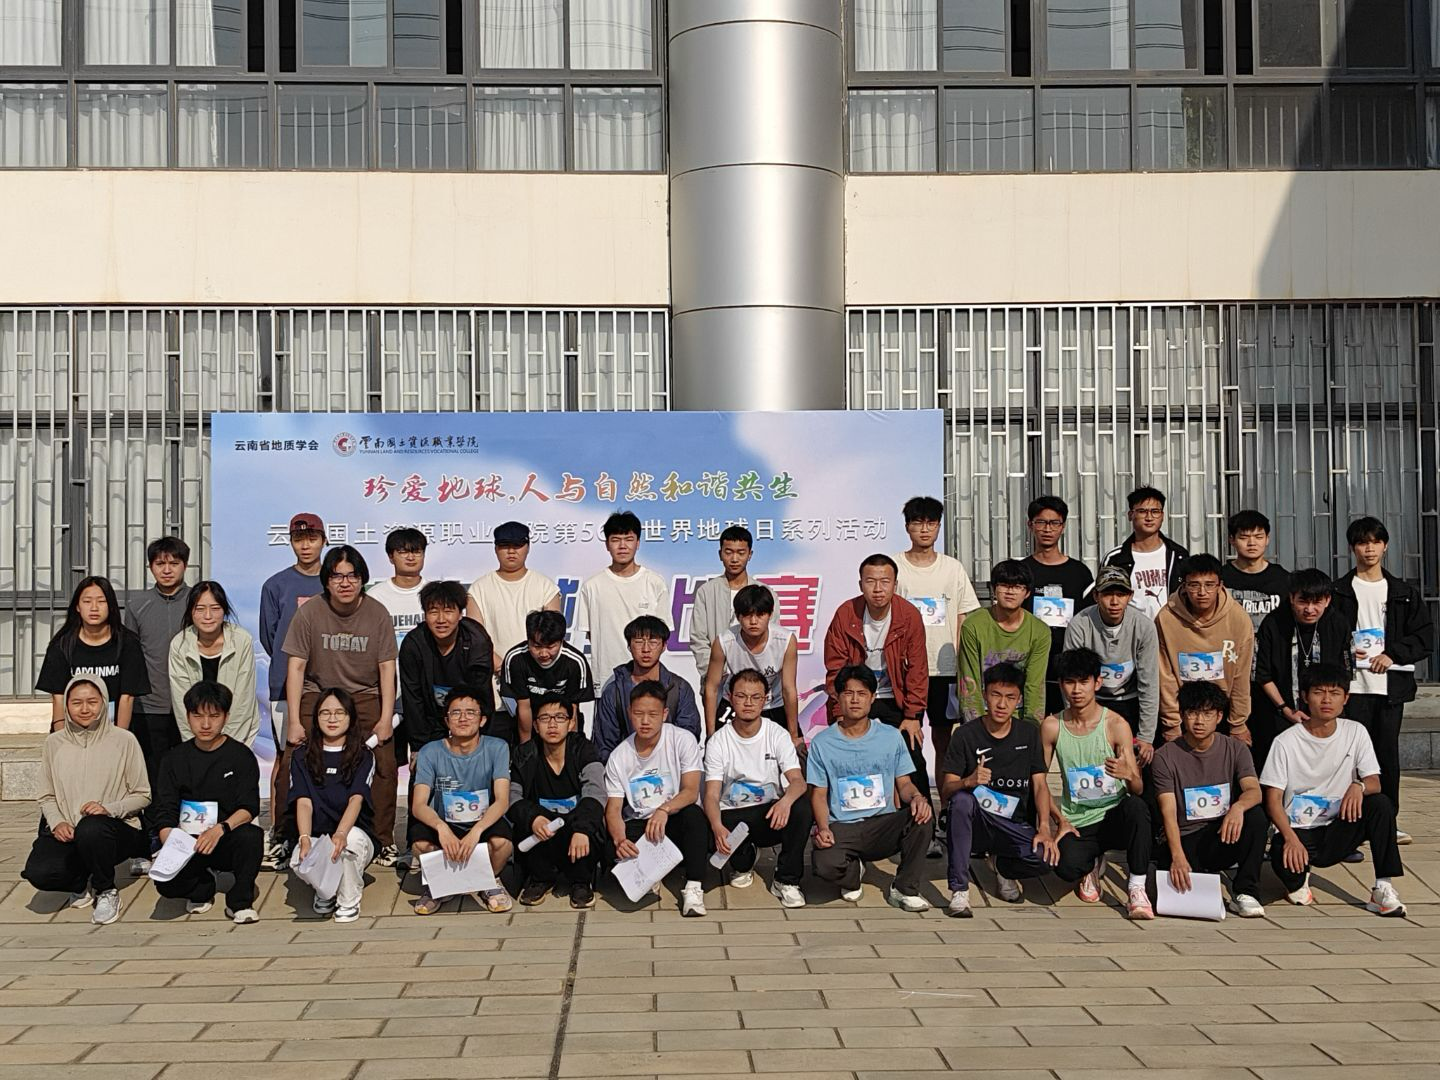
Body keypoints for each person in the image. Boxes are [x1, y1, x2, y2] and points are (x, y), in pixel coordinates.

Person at [278, 545, 398, 869]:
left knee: (384, 761)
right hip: (319, 693)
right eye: (337, 576)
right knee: (291, 759)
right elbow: (296, 667)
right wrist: (294, 720)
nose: (345, 583)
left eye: (352, 576)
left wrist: (385, 718)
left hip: (365, 695)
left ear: (362, 579)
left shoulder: (377, 614)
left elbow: (387, 668)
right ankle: (285, 836)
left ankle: (382, 840)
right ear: (326, 581)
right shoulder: (309, 612)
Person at [1260, 662, 1406, 916]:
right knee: (1292, 879)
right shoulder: (1285, 742)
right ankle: (1299, 878)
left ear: (1345, 698)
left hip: (1338, 826)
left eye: (1335, 693)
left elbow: (1374, 781)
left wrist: (1358, 786)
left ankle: (1383, 887)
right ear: (1305, 697)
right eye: (1318, 692)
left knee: (1381, 804)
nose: (1326, 700)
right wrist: (1290, 838)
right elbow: (1273, 799)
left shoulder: (1356, 732)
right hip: (1298, 830)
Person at [1334, 516, 1433, 846]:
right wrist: (1345, 653)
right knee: (1348, 757)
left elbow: (1424, 638)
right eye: (1363, 542)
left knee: (1386, 756)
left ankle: (1387, 822)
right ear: (1353, 548)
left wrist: (1393, 654)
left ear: (1385, 546)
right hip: (1350, 688)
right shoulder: (1339, 591)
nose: (1369, 549)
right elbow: (1327, 635)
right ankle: (1350, 824)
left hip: (1389, 689)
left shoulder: (1403, 593)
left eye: (1375, 542)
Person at [22, 676, 150, 925]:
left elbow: (143, 795)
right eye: (76, 702)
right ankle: (80, 881)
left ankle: (106, 890)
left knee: (92, 828)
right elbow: (46, 795)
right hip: (70, 831)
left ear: (104, 702)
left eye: (92, 701)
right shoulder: (54, 743)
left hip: (114, 830)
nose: (84, 709)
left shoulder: (124, 740)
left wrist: (108, 809)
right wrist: (58, 823)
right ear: (66, 705)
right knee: (40, 872)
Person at [807, 666, 934, 912]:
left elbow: (904, 784)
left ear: (873, 698)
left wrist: (918, 798)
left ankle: (904, 889)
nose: (855, 700)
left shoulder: (891, 736)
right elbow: (819, 795)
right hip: (842, 826)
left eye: (862, 693)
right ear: (837, 697)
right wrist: (823, 829)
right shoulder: (822, 743)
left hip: (882, 825)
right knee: (824, 865)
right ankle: (852, 871)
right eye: (848, 693)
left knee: (922, 817)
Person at [939, 663, 1061, 918]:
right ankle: (959, 889)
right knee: (961, 801)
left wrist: (1044, 827)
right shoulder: (965, 734)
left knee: (1048, 857)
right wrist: (968, 781)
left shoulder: (1029, 734)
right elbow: (948, 788)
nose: (1002, 704)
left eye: (1010, 697)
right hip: (978, 822)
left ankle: (1002, 866)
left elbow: (1040, 784)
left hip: (1013, 823)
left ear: (1019, 700)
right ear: (985, 694)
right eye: (996, 695)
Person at [1040, 648, 1153, 920]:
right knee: (1064, 867)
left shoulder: (1116, 725)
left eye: (1084, 681)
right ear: (1061, 685)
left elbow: (1138, 789)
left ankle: (1137, 888)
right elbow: (1039, 781)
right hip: (1078, 823)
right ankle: (1090, 864)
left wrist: (1128, 774)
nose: (1077, 690)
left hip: (1114, 817)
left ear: (1097, 682)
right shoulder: (1052, 726)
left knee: (1137, 808)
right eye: (1070, 682)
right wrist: (1056, 821)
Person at [150, 681, 264, 924]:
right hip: (188, 842)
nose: (205, 724)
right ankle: (202, 888)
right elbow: (165, 808)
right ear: (187, 717)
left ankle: (240, 901)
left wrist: (220, 829)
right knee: (164, 884)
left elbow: (249, 806)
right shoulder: (174, 758)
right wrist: (170, 842)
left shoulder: (240, 756)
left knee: (252, 837)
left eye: (214, 716)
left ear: (226, 717)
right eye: (197, 716)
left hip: (224, 836)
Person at [1152, 681, 1267, 918]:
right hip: (1185, 837)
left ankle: (1246, 891)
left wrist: (1238, 807)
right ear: (1182, 715)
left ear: (1219, 716)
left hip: (1222, 832)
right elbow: (1168, 812)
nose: (1199, 721)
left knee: (1255, 817)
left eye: (1207, 714)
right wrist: (1177, 856)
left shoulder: (1236, 749)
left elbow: (1254, 791)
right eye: (1193, 713)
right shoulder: (1164, 756)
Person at [893, 495, 981, 797]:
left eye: (931, 523)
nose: (924, 529)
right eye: (918, 523)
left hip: (945, 670)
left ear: (939, 527)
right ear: (907, 527)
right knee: (907, 741)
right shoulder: (895, 567)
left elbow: (963, 617)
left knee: (943, 740)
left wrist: (962, 664)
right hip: (908, 671)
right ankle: (914, 807)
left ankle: (946, 806)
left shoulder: (952, 568)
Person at [702, 668, 812, 908]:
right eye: (741, 696)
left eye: (755, 697)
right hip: (733, 816)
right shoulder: (718, 741)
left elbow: (798, 781)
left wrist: (785, 801)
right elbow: (711, 794)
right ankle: (745, 859)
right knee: (706, 829)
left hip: (770, 814)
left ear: (765, 700)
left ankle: (786, 880)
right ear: (730, 698)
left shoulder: (777, 734)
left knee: (802, 807)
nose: (748, 703)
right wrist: (717, 826)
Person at [822, 554, 929, 795]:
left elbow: (918, 669)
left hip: (896, 698)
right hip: (856, 696)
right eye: (870, 581)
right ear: (860, 584)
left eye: (885, 582)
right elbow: (836, 669)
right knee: (846, 753)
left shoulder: (909, 615)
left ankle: (921, 814)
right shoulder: (846, 614)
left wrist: (913, 715)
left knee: (911, 753)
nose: (878, 589)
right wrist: (840, 711)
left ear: (895, 584)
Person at [604, 680, 709, 917]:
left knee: (694, 816)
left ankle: (693, 887)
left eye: (652, 714)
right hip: (640, 822)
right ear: (630, 712)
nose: (645, 721)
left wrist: (664, 810)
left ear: (664, 714)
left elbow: (691, 791)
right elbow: (614, 809)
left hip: (673, 817)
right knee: (609, 846)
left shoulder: (682, 740)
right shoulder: (619, 756)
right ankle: (648, 872)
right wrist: (620, 840)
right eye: (638, 714)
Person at [408, 685, 515, 915]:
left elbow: (502, 800)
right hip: (444, 822)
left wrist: (477, 831)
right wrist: (442, 828)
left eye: (471, 712)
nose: (463, 718)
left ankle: (490, 881)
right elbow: (418, 804)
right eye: (456, 712)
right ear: (447, 720)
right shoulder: (430, 751)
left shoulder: (498, 747)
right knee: (420, 845)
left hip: (482, 821)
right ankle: (440, 885)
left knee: (502, 843)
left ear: (482, 719)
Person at [257, 513, 326, 865]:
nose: (306, 545)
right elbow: (270, 637)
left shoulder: (336, 581)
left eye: (312, 538)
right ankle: (280, 832)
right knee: (286, 758)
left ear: (324, 540)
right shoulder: (275, 585)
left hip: (329, 687)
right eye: (299, 539)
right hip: (286, 686)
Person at [288, 688, 376, 922]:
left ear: (350, 717)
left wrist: (341, 833)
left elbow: (356, 798)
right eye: (325, 713)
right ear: (316, 718)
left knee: (349, 842)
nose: (332, 718)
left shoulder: (363, 755)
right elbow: (303, 801)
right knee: (298, 857)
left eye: (339, 712)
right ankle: (325, 890)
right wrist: (304, 838)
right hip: (318, 835)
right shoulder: (301, 755)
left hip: (355, 834)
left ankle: (348, 900)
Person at [1253, 569, 1355, 772]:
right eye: (1303, 602)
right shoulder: (1273, 623)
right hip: (1280, 712)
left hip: (1326, 715)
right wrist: (1285, 709)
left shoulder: (1338, 623)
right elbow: (1262, 674)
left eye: (1317, 602)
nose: (1309, 609)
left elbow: (1346, 672)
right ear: (1292, 598)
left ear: (1327, 600)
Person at [508, 699, 606, 910]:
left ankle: (581, 881)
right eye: (545, 718)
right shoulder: (524, 754)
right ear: (535, 725)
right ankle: (540, 878)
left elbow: (596, 792)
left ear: (571, 723)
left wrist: (582, 828)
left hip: (575, 825)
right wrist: (533, 818)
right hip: (542, 826)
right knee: (524, 820)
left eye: (560, 718)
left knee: (592, 822)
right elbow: (513, 796)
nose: (552, 724)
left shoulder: (584, 750)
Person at [1063, 566, 1160, 764]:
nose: (1115, 601)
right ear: (1096, 596)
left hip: (1130, 700)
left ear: (1130, 596)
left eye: (1121, 594)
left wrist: (1146, 736)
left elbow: (1149, 683)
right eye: (1107, 594)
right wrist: (1075, 723)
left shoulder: (1144, 626)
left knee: (1133, 765)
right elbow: (1071, 680)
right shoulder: (1079, 624)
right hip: (1092, 701)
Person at [1155, 554, 1255, 745]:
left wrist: (1238, 723)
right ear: (1184, 585)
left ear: (1220, 585)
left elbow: (1241, 676)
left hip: (1221, 709)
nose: (1202, 592)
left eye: (1209, 585)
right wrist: (1171, 723)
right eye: (1194, 585)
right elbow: (1165, 675)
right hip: (1183, 710)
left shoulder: (1238, 619)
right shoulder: (1166, 618)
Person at [122, 536, 192, 794]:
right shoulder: (137, 605)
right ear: (150, 567)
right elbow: (131, 657)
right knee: (154, 772)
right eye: (160, 564)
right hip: (149, 705)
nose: (167, 570)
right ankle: (154, 819)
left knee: (189, 771)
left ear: (185, 565)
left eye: (174, 563)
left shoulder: (198, 602)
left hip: (190, 704)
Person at [399, 580, 496, 760]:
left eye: (448, 611)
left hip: (468, 717)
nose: (441, 619)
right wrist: (419, 747)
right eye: (433, 612)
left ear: (460, 614)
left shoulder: (477, 640)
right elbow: (413, 699)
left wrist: (477, 740)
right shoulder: (413, 644)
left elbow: (481, 696)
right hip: (430, 719)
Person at [37, 576, 148, 732]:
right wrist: (62, 739)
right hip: (72, 731)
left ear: (111, 606)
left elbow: (127, 697)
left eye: (101, 601)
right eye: (87, 601)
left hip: (114, 729)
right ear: (77, 606)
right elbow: (58, 697)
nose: (94, 608)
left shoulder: (127, 643)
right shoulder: (61, 645)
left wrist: (119, 738)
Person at [574, 511, 669, 683]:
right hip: (606, 678)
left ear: (638, 543)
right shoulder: (592, 586)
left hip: (647, 681)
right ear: (607, 544)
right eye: (616, 540)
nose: (622, 546)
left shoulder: (655, 583)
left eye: (629, 539)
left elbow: (661, 633)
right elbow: (590, 635)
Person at [1021, 496, 1095, 716]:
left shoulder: (1080, 573)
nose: (1047, 529)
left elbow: (1090, 620)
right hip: (1029, 662)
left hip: (1069, 664)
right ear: (1030, 525)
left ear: (1063, 526)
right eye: (1041, 522)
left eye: (1054, 523)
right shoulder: (1022, 571)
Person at [701, 584, 800, 746]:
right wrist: (710, 733)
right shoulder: (724, 641)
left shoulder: (786, 640)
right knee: (720, 750)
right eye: (747, 615)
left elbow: (789, 689)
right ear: (738, 616)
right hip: (735, 705)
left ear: (770, 615)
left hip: (773, 704)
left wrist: (793, 735)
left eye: (760, 615)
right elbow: (711, 687)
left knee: (795, 751)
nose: (753, 622)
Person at [593, 616, 701, 761]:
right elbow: (605, 746)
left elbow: (688, 738)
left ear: (664, 646)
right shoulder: (614, 692)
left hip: (670, 767)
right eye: (638, 642)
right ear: (629, 646)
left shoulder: (679, 688)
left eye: (653, 642)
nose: (646, 649)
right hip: (626, 768)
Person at [957, 560, 1050, 726]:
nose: (1010, 592)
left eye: (1017, 587)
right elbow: (969, 681)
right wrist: (976, 729)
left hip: (1019, 717)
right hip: (983, 714)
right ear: (994, 589)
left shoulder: (1040, 631)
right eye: (1004, 585)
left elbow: (1035, 685)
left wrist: (1031, 728)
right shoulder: (973, 626)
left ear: (1027, 593)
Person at [168, 581, 259, 746]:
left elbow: (243, 701)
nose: (208, 616)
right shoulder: (179, 644)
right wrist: (195, 744)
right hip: (195, 739)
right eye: (200, 609)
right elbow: (182, 703)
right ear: (190, 612)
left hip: (237, 738)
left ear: (225, 610)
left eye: (215, 608)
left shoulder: (241, 640)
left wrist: (227, 745)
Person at [466, 520, 562, 670]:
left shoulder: (546, 587)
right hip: (494, 674)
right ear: (496, 549)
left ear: (528, 547)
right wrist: (503, 668)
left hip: (537, 673)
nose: (511, 551)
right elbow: (476, 639)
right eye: (505, 545)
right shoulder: (478, 589)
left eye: (517, 545)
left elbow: (552, 634)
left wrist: (528, 671)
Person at [689, 525, 774, 676]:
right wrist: (715, 674)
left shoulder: (765, 593)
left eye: (741, 553)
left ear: (750, 554)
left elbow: (772, 636)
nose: (734, 559)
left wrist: (758, 677)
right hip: (717, 679)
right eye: (728, 552)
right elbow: (699, 639)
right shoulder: (707, 592)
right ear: (720, 554)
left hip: (757, 680)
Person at [500, 610, 594, 744]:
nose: (543, 654)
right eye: (537, 647)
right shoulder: (516, 659)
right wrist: (525, 748)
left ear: (561, 641)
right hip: (531, 721)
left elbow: (572, 709)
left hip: (564, 720)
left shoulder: (575, 662)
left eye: (550, 647)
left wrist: (570, 748)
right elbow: (524, 707)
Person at [1100, 486, 1190, 620]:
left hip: (1171, 627)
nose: (1149, 517)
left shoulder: (1178, 555)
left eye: (1155, 511)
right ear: (1131, 515)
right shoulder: (1115, 558)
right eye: (1142, 511)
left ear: (1162, 516)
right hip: (1131, 629)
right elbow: (1104, 597)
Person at [1221, 510, 1290, 633]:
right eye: (1244, 538)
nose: (1252, 543)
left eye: (1259, 537)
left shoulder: (1283, 579)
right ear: (1232, 540)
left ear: (1267, 539)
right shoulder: (1221, 578)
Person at [365, 527, 428, 648]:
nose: (411, 557)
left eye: (417, 552)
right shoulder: (375, 596)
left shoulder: (435, 593)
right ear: (391, 557)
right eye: (403, 552)